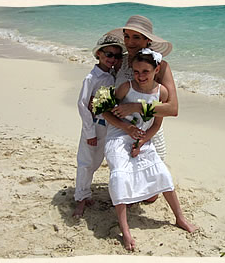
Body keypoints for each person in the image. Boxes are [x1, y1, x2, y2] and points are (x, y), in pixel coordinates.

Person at [103, 49, 197, 251]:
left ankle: (180, 217)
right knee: (119, 175)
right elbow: (104, 111)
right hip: (119, 136)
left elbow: (156, 125)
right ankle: (125, 230)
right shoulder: (125, 87)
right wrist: (126, 128)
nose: (140, 76)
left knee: (162, 173)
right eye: (136, 71)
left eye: (145, 71)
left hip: (142, 139)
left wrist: (142, 141)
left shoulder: (161, 92)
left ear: (156, 70)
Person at [107, 15, 178, 161]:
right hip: (120, 133)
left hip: (149, 135)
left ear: (148, 40)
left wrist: (137, 107)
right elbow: (107, 99)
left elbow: (172, 109)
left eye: (136, 37)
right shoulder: (120, 62)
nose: (130, 42)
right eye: (126, 36)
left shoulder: (161, 67)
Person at [73, 34, 126, 218]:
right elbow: (82, 105)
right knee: (86, 162)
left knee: (97, 162)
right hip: (94, 126)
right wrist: (89, 132)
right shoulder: (91, 78)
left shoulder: (113, 76)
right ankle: (80, 198)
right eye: (109, 54)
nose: (113, 59)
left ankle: (86, 193)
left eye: (117, 56)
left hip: (108, 127)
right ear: (99, 54)